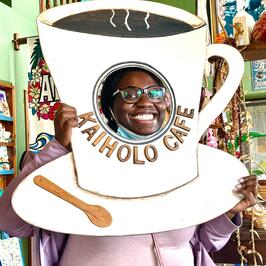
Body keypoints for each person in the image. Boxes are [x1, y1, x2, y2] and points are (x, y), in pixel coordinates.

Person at [0, 68, 258, 266]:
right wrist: (57, 147)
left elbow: (201, 242)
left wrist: (226, 212)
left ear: (167, 103)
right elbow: (11, 222)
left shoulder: (185, 164)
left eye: (156, 93)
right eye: (130, 94)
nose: (146, 102)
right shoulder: (79, 162)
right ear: (109, 108)